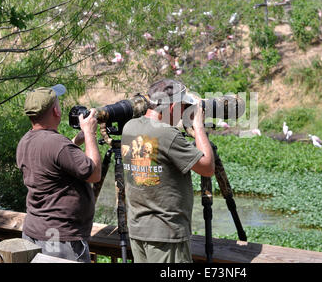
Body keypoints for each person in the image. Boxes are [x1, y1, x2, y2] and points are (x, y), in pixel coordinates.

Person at [121, 79, 215, 263]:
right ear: (171, 107)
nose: (183, 112)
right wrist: (198, 126)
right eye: (183, 106)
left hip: (138, 229)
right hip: (166, 232)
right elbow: (208, 167)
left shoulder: (129, 127)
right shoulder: (167, 134)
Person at [16, 84, 101, 263]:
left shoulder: (25, 141)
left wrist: (76, 141)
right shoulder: (57, 144)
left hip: (35, 231)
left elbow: (53, 160)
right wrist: (89, 132)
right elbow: (94, 174)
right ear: (56, 111)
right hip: (59, 239)